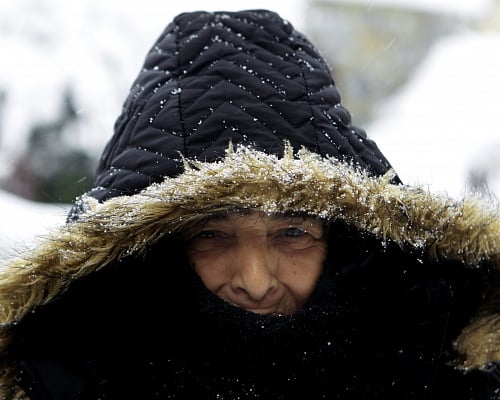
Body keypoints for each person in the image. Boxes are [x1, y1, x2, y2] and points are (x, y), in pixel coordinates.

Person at [0, 9, 499, 399]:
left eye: (293, 232)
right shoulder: (64, 379)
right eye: (210, 235)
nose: (255, 280)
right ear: (147, 249)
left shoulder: (443, 369)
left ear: (349, 242)